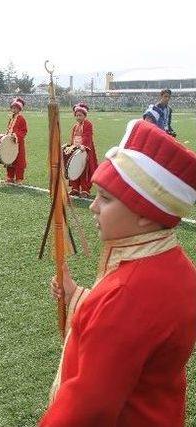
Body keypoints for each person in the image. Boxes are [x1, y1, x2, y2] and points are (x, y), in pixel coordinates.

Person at [41, 119, 196, 427]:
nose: (93, 207)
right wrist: (79, 298)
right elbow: (134, 334)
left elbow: (86, 410)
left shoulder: (125, 294)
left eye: (106, 199)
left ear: (146, 215)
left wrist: (98, 305)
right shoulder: (179, 266)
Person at [66, 103, 98, 198]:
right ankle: (75, 188)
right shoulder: (75, 126)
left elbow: (87, 136)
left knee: (84, 169)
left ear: (85, 115)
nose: (78, 117)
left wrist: (83, 146)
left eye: (80, 115)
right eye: (76, 115)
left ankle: (85, 189)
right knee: (74, 167)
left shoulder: (88, 124)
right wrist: (71, 147)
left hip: (84, 150)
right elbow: (73, 138)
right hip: (76, 149)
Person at [5, 97, 28, 184]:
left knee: (19, 161)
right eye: (13, 108)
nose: (14, 109)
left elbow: (24, 131)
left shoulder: (21, 118)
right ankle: (10, 177)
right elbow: (9, 128)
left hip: (18, 143)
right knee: (9, 159)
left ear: (19, 109)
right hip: (10, 142)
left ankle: (19, 179)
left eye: (16, 108)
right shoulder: (11, 118)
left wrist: (15, 136)